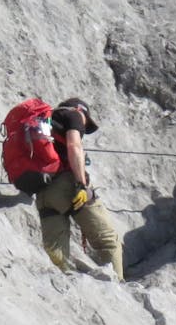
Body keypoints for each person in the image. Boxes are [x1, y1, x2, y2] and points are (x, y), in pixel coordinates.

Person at [34, 98, 123, 279]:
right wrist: (81, 185)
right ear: (81, 110)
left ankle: (66, 285)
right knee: (108, 240)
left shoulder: (43, 121)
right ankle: (119, 289)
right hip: (68, 185)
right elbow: (74, 145)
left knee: (56, 249)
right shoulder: (74, 114)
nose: (84, 125)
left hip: (44, 192)